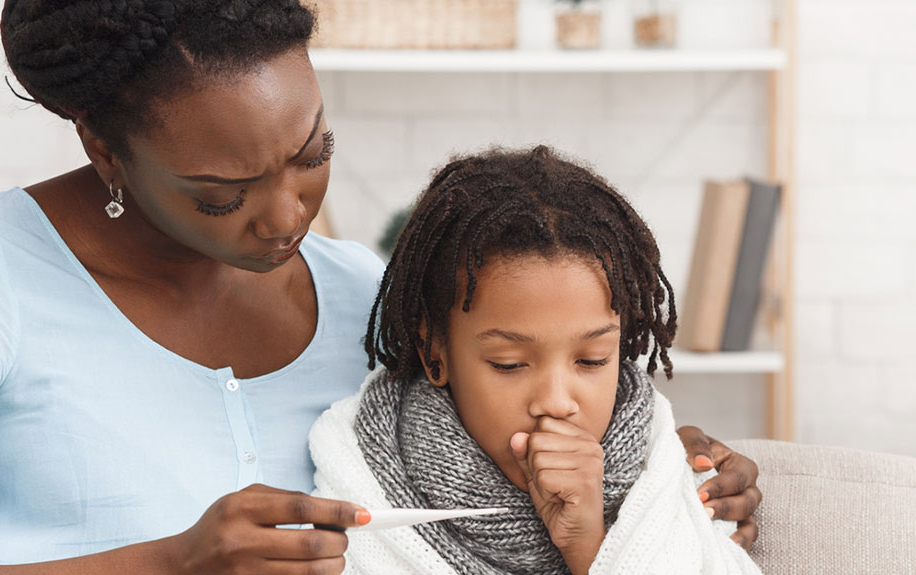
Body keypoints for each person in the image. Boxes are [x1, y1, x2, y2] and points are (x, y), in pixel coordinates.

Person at [0, 1, 762, 574]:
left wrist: (659, 476)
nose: (286, 214)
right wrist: (166, 563)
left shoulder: (375, 298)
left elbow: (506, 480)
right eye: (222, 194)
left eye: (311, 154)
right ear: (104, 147)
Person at [310, 146, 761, 574]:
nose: (557, 402)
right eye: (509, 364)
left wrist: (589, 546)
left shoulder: (663, 470)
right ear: (434, 354)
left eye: (592, 360)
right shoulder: (359, 469)